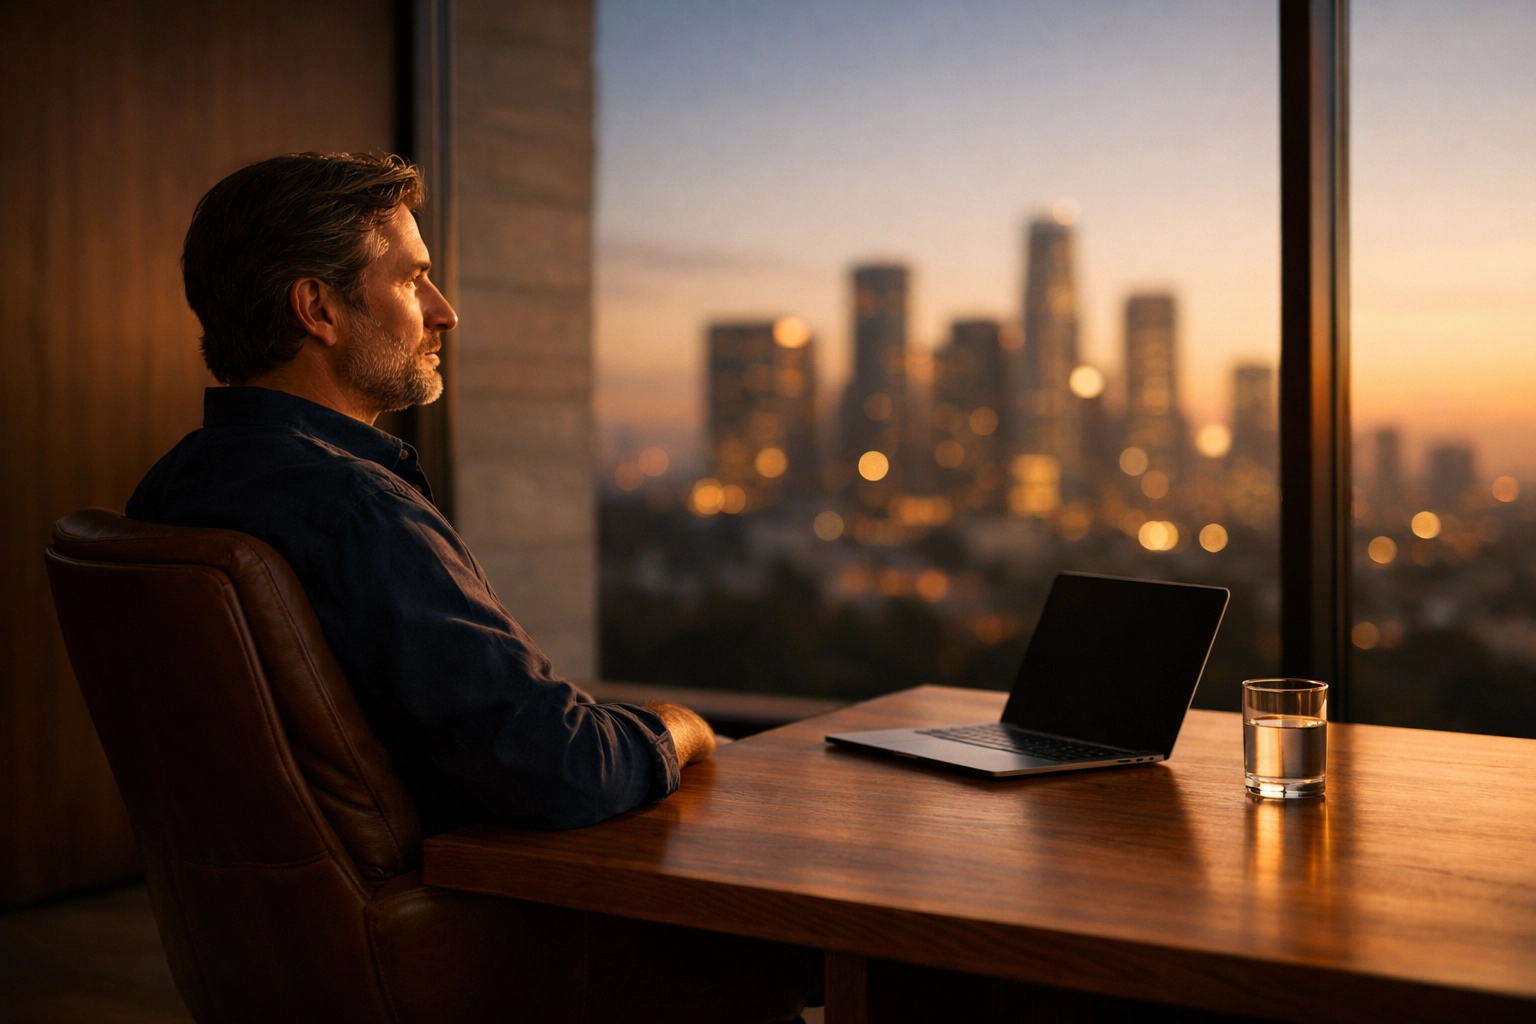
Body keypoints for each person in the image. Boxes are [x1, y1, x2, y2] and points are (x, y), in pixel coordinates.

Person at [128, 152, 817, 1022]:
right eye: (412, 279)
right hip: (477, 951)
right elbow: (557, 766)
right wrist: (680, 729)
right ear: (318, 309)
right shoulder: (353, 508)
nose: (444, 310)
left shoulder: (168, 491)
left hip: (267, 956)